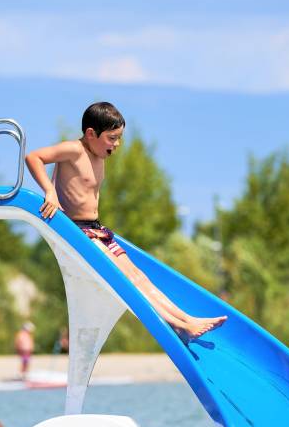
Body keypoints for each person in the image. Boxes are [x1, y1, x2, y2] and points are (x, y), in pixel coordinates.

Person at [25, 102, 226, 339]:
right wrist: (49, 191)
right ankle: (177, 325)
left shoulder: (98, 156)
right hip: (79, 233)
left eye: (119, 138)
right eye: (112, 138)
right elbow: (34, 157)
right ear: (91, 134)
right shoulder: (74, 150)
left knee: (139, 275)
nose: (116, 144)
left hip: (97, 229)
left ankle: (185, 319)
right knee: (128, 280)